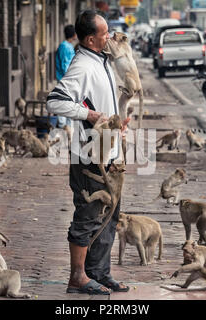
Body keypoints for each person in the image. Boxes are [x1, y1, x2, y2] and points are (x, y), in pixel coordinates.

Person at [46, 10, 129, 295]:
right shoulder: (82, 65)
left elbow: (103, 102)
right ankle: (77, 276)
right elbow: (55, 102)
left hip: (109, 155)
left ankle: (99, 272)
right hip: (89, 158)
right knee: (88, 215)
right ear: (92, 39)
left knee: (109, 216)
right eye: (105, 33)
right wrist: (89, 115)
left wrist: (118, 123)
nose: (110, 36)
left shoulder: (101, 61)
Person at [55, 24, 77, 129]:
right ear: (73, 34)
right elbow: (65, 65)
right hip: (65, 79)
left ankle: (68, 126)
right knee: (63, 103)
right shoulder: (64, 47)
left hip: (69, 79)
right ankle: (62, 126)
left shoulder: (68, 46)